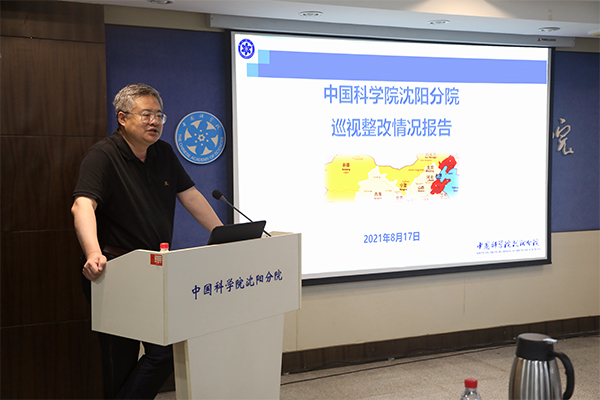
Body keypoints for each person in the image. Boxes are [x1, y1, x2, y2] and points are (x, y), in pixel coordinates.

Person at [71, 83, 222, 399]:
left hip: (155, 268)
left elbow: (190, 195)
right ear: (123, 118)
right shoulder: (103, 156)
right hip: (115, 269)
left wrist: (222, 234)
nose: (154, 121)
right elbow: (82, 204)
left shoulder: (162, 152)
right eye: (146, 115)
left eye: (159, 115)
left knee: (165, 351)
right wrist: (92, 252)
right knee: (120, 359)